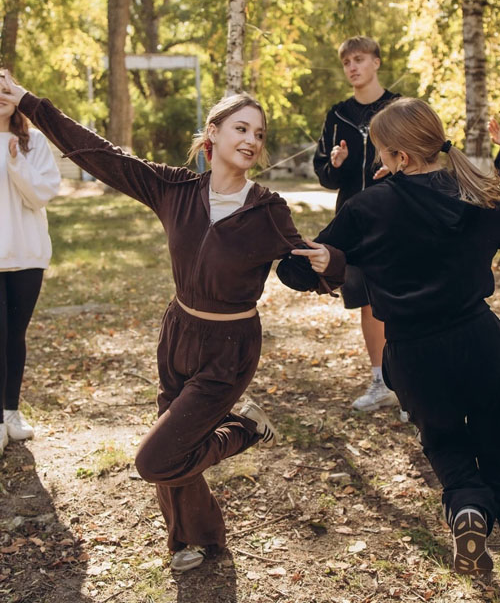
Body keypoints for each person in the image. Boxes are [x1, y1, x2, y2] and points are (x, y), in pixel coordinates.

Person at [0, 71, 344, 572]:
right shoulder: (174, 188)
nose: (251, 140)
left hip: (230, 348)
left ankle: (244, 429)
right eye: (241, 129)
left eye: (259, 133)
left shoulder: (267, 209)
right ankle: (193, 540)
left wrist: (330, 263)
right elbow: (98, 154)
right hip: (178, 332)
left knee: (156, 458)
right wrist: (31, 103)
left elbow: (298, 269)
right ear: (213, 135)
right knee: (178, 441)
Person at [278, 96, 500, 575]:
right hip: (482, 339)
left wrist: (333, 261)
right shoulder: (479, 193)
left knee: (444, 441)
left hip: (414, 352)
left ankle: (468, 508)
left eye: (381, 150)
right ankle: (481, 506)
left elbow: (295, 271)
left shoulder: (370, 206)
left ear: (399, 156)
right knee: (495, 431)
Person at [313, 36, 400, 412]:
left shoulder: (398, 108)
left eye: (359, 59)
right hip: (353, 223)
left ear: (376, 62)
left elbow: (421, 158)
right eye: (347, 62)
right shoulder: (338, 115)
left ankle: (408, 384)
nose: (352, 67)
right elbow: (323, 174)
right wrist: (334, 164)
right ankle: (381, 382)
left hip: (396, 218)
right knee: (367, 303)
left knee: (400, 299)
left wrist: (395, 170)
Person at [0, 74, 61, 457]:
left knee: (15, 336)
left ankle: (11, 411)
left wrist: (15, 161)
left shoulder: (34, 142)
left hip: (27, 256)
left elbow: (41, 194)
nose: (0, 96)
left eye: (6, 88)